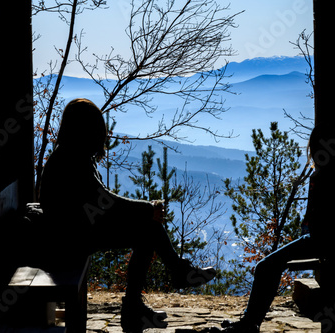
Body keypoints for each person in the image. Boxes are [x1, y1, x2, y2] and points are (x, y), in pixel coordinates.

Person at [38, 98, 216, 333]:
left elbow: (100, 201)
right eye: (96, 129)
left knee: (146, 229)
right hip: (68, 242)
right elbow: (104, 201)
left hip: (72, 233)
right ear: (85, 129)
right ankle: (156, 290)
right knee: (147, 228)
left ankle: (147, 298)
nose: (101, 135)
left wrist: (145, 210)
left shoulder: (72, 153)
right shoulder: (73, 159)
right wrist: (147, 208)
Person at [217, 124, 335, 333]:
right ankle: (250, 323)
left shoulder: (322, 176)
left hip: (329, 241)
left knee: (266, 267)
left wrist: (308, 233)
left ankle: (250, 323)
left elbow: (315, 224)